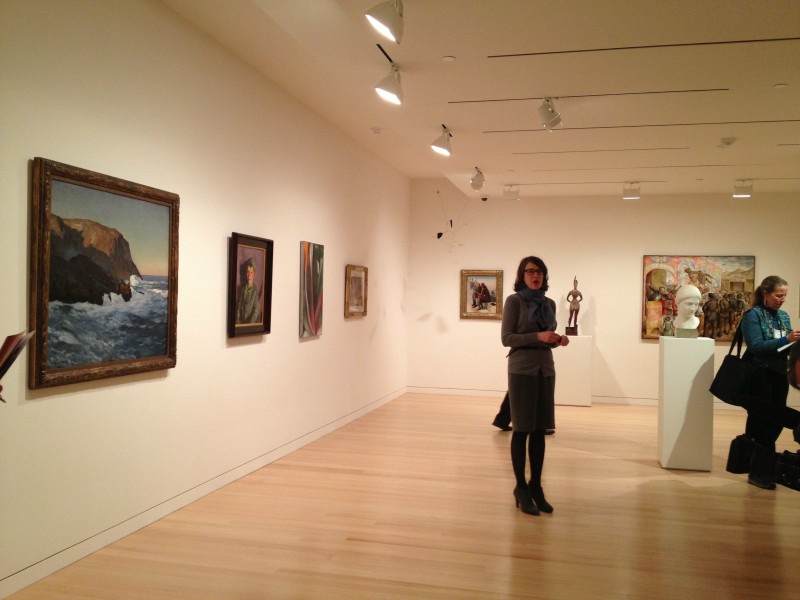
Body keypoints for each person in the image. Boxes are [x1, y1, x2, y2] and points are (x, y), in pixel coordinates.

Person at [501, 256, 569, 515]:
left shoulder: (549, 303)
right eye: (530, 272)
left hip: (545, 370)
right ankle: (520, 487)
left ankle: (536, 487)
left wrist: (557, 340)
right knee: (521, 429)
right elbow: (507, 338)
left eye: (539, 272)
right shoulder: (514, 301)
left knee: (540, 430)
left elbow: (547, 337)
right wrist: (537, 336)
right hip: (522, 370)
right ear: (522, 275)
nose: (535, 276)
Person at [739, 275, 800, 488]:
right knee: (759, 423)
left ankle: (764, 467)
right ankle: (759, 471)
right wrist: (787, 339)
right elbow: (756, 347)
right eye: (778, 295)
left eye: (785, 296)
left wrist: (793, 343)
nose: (782, 300)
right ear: (765, 293)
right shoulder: (752, 315)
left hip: (778, 375)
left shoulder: (783, 316)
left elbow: (784, 348)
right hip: (759, 376)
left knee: (775, 421)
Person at [236, 258, 261, 324]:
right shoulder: (242, 289)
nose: (249, 274)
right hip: (241, 322)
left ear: (254, 274)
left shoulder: (255, 292)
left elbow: (255, 311)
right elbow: (239, 305)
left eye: (251, 272)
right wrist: (237, 320)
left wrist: (249, 324)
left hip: (250, 323)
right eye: (248, 272)